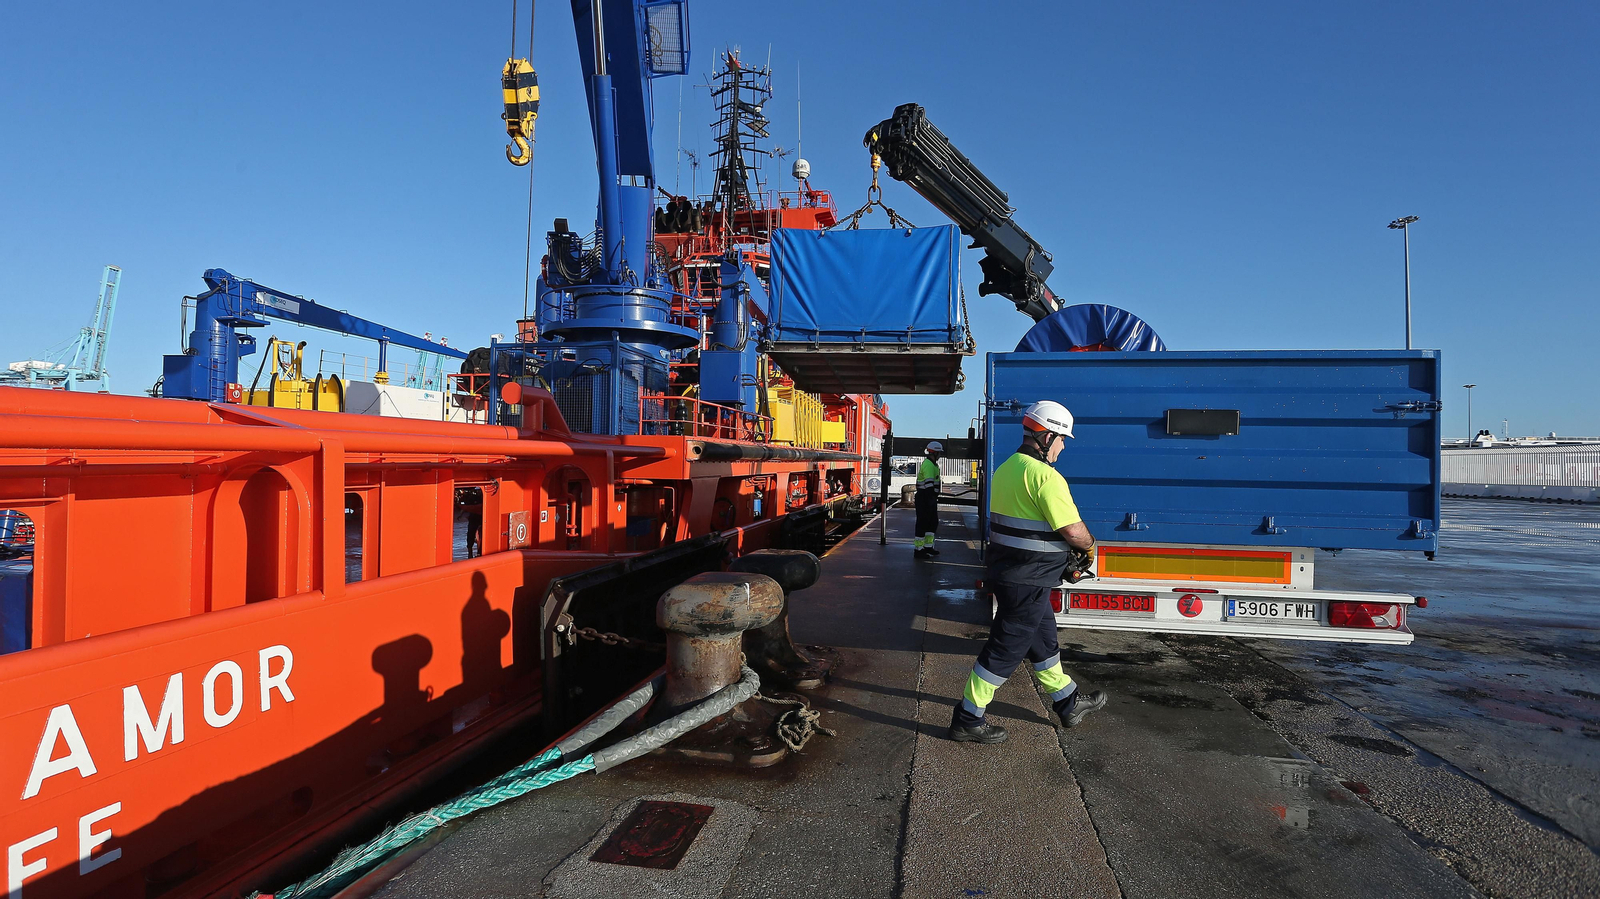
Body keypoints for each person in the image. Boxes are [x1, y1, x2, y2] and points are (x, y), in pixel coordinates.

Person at [950, 401, 1108, 743]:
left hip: (1012, 574)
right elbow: (1073, 531)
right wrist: (1090, 547)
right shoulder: (1046, 477)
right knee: (1005, 649)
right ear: (1046, 436)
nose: (1064, 446)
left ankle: (1067, 701)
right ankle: (967, 718)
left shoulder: (1006, 468)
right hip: (1029, 580)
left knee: (1043, 639)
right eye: (1062, 439)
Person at [913, 441, 944, 559]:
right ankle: (919, 550)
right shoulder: (929, 465)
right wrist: (931, 500)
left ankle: (928, 546)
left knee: (932, 523)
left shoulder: (933, 465)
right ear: (935, 453)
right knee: (923, 523)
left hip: (929, 497)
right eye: (939, 453)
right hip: (925, 497)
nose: (940, 455)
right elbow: (929, 485)